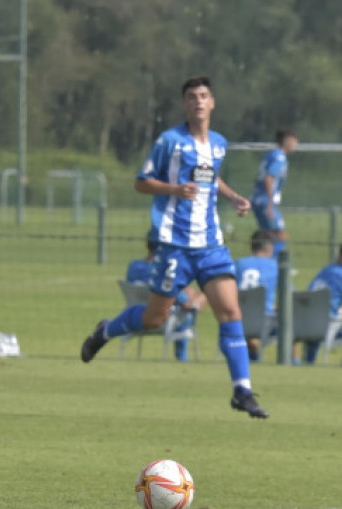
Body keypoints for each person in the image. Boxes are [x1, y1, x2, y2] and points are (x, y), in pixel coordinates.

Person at [81, 76, 269, 418]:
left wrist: (232, 197)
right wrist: (174, 190)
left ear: (212, 103)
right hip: (174, 245)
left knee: (230, 312)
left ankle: (242, 389)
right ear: (185, 104)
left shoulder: (219, 143)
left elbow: (211, 177)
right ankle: (106, 330)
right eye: (192, 96)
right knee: (155, 318)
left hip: (211, 244)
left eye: (203, 95)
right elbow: (141, 182)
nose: (198, 101)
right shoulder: (169, 141)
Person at [125, 238, 206, 362]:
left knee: (188, 292)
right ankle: (182, 359)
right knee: (190, 308)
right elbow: (184, 302)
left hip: (137, 316)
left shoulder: (133, 266)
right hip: (163, 320)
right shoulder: (166, 271)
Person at [250, 128, 298, 258]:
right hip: (266, 201)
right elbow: (268, 178)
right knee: (281, 236)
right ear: (286, 141)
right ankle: (275, 265)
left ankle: (261, 263)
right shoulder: (279, 158)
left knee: (266, 236)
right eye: (294, 141)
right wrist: (270, 204)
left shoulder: (270, 154)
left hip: (257, 199)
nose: (296, 144)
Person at [235, 231, 278, 361]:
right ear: (270, 247)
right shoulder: (275, 266)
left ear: (251, 246)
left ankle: (253, 357)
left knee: (248, 320)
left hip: (237, 318)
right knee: (290, 322)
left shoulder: (238, 264)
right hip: (265, 321)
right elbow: (289, 295)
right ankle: (297, 362)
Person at [303, 245, 342, 364]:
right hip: (328, 322)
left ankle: (309, 361)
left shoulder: (326, 270)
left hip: (305, 319)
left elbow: (309, 292)